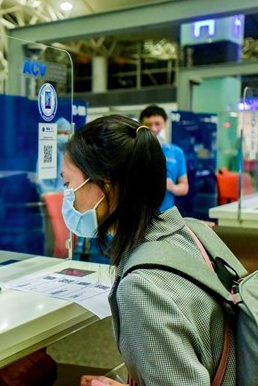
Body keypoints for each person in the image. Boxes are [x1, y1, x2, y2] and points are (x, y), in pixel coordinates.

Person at [61, 115, 237, 385]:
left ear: (105, 185)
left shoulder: (142, 287)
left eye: (68, 184)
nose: (68, 196)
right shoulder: (192, 232)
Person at [139, 105, 188, 212]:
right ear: (142, 126)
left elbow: (184, 187)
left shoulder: (176, 152)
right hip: (139, 212)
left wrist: (173, 187)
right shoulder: (135, 151)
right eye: (148, 124)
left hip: (166, 214)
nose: (153, 129)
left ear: (165, 124)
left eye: (157, 124)